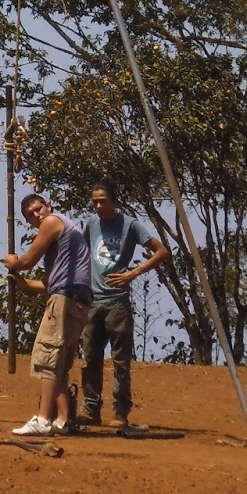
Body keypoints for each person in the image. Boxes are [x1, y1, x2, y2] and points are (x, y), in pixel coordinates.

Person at [79, 181, 169, 426]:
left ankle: (120, 411)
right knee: (91, 356)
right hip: (93, 299)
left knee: (120, 358)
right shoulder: (90, 224)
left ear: (115, 201)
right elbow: (81, 253)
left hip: (117, 302)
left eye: (103, 201)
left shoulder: (130, 225)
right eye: (94, 201)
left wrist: (133, 273)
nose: (98, 205)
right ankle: (91, 408)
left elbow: (161, 251)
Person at [3, 193, 92, 436]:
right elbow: (51, 284)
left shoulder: (53, 222)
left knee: (48, 356)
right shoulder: (67, 235)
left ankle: (42, 420)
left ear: (48, 207)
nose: (37, 215)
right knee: (60, 364)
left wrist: (14, 263)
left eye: (38, 209)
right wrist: (23, 284)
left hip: (65, 300)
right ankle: (62, 421)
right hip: (77, 299)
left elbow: (28, 261)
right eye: (31, 215)